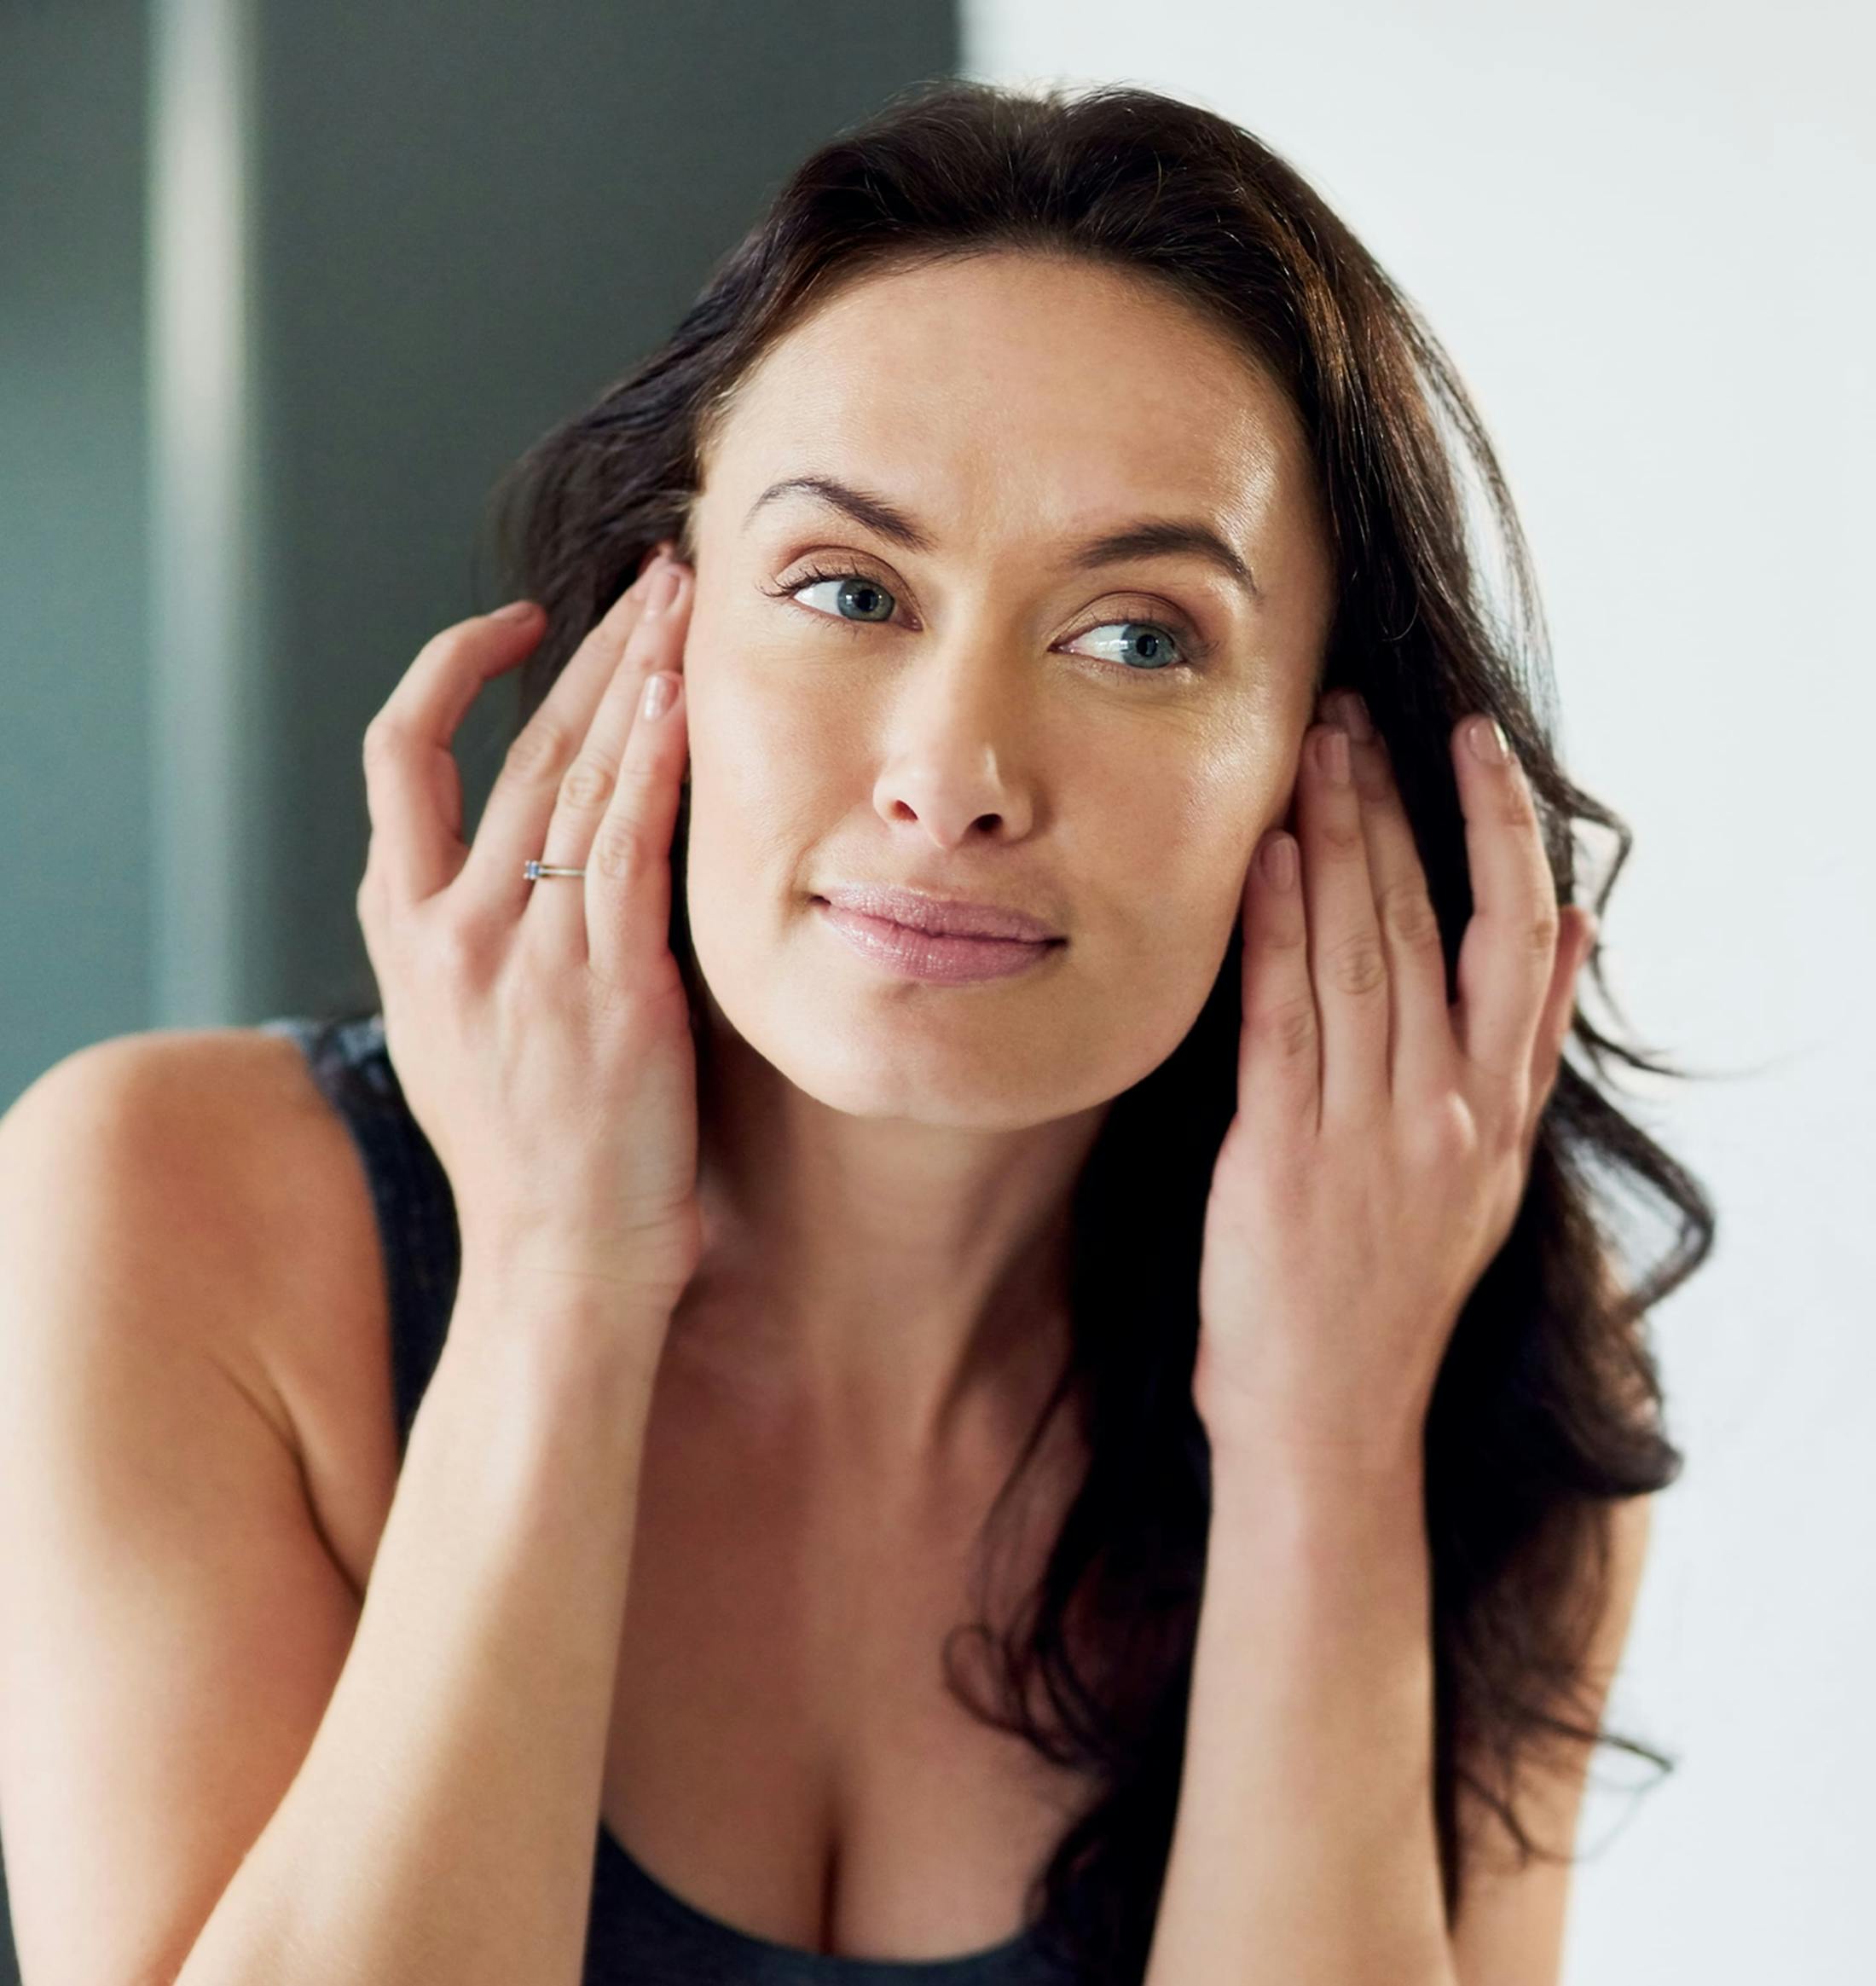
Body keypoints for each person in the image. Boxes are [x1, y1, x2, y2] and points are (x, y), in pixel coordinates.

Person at [0, 78, 1708, 1986]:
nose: (951, 776)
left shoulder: (1489, 1389)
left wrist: (1320, 1441)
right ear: (666, 640)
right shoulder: (169, 1207)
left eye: (1139, 637)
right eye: (844, 588)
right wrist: (561, 1286)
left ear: (1322, 767)